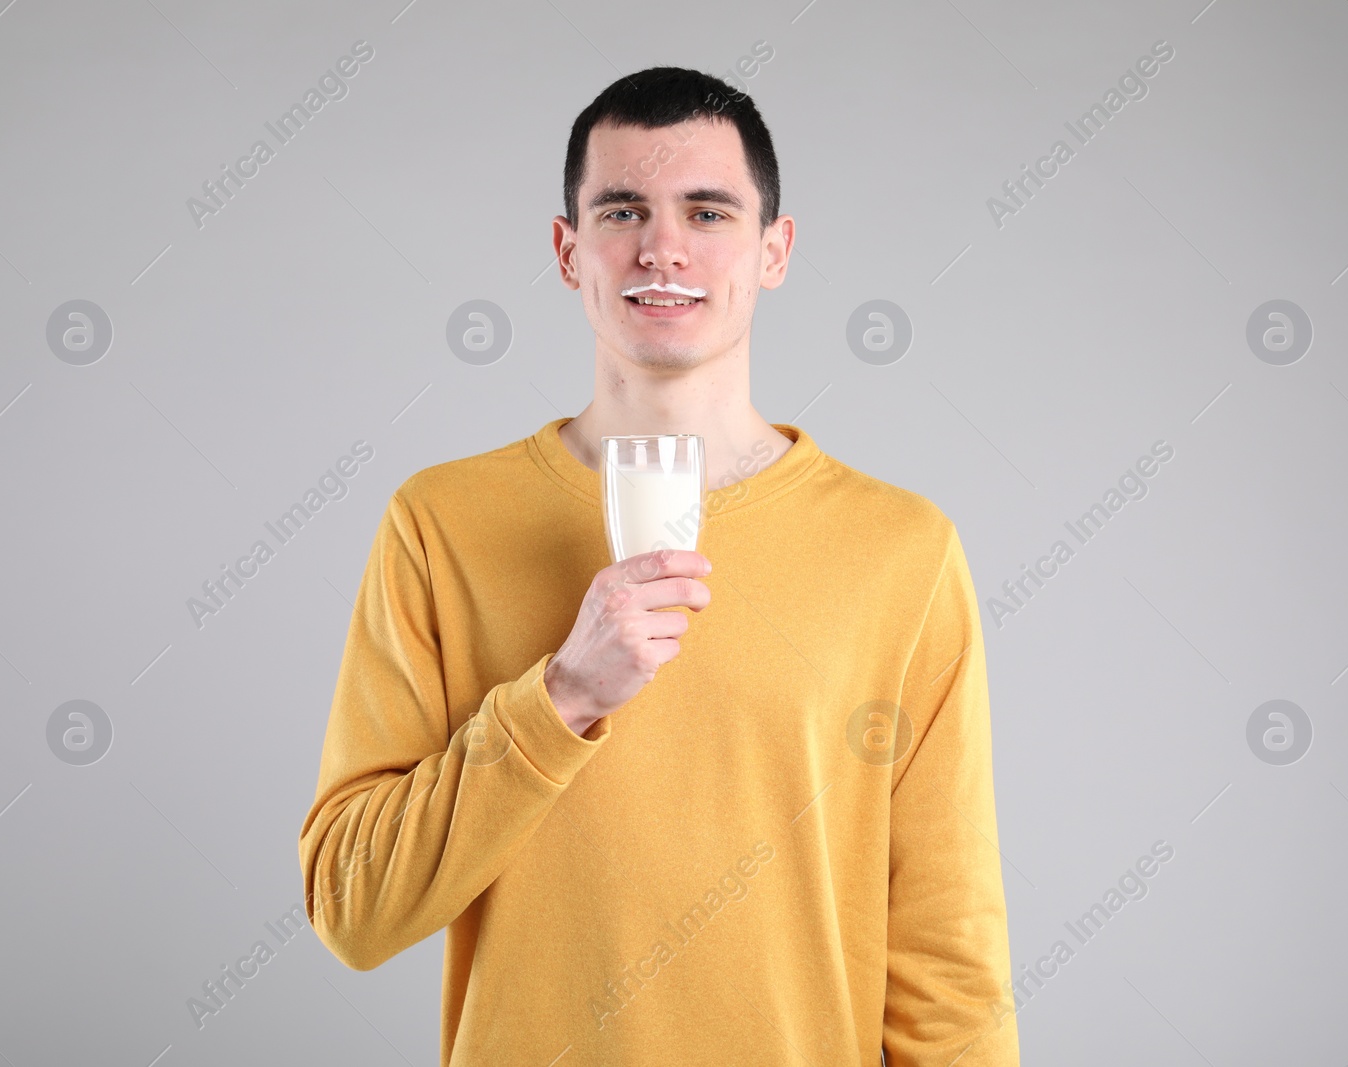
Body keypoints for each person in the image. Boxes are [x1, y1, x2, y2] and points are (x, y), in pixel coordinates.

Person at [298, 66, 1020, 1066]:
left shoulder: (901, 548)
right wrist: (558, 697)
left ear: (775, 250)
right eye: (622, 209)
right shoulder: (440, 522)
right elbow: (351, 907)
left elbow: (948, 952)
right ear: (568, 250)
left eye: (708, 211)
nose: (663, 246)